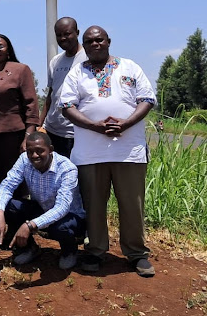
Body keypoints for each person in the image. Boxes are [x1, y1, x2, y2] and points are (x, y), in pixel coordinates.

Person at [60, 26, 156, 277]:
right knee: (94, 206)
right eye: (89, 41)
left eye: (98, 39)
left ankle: (136, 253)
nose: (94, 44)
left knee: (132, 205)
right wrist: (95, 126)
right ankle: (95, 251)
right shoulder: (76, 72)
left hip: (129, 151)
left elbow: (147, 99)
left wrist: (125, 123)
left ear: (108, 41)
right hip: (90, 153)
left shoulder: (130, 67)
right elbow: (66, 105)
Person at [0, 131, 86, 270]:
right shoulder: (24, 160)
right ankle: (30, 249)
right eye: (30, 152)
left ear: (51, 150)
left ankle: (69, 251)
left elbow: (62, 207)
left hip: (70, 217)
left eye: (40, 151)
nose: (34, 156)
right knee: (10, 206)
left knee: (59, 227)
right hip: (42, 208)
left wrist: (30, 225)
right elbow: (7, 185)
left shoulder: (66, 168)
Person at [0, 34, 40, 194]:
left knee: (16, 174)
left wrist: (28, 135)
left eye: (0, 46)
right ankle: (2, 209)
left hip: (14, 134)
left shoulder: (20, 70)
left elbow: (31, 103)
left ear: (8, 50)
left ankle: (19, 211)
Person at [38, 17, 86, 158]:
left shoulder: (88, 59)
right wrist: (39, 125)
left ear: (77, 32)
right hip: (53, 131)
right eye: (59, 35)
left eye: (67, 33)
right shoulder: (55, 61)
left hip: (78, 132)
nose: (63, 38)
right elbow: (51, 96)